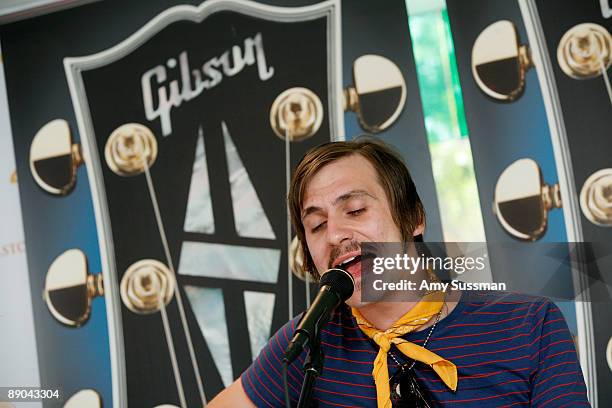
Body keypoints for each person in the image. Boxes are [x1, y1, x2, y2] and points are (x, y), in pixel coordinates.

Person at [209, 139, 589, 407]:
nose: (337, 233)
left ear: (413, 218)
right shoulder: (306, 342)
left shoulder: (529, 325)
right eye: (317, 225)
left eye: (355, 210)